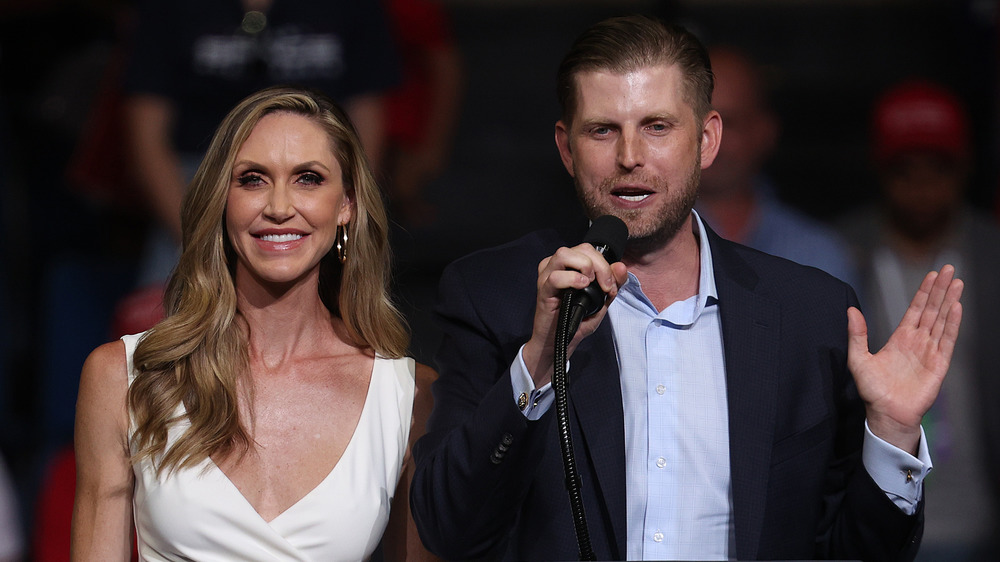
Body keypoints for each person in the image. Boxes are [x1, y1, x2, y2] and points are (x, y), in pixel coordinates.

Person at [410, 16, 963, 561]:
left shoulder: (809, 313)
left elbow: (854, 551)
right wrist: (538, 362)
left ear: (706, 139)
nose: (630, 156)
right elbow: (449, 531)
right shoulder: (493, 296)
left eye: (657, 126)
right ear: (566, 147)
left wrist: (892, 432)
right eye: (603, 129)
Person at [71, 86, 435, 561]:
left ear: (346, 204)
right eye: (253, 179)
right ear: (222, 201)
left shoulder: (409, 396)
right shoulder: (123, 377)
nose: (279, 206)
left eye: (307, 178)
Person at [123, 0, 401, 286]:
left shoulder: (353, 8)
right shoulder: (168, 8)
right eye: (254, 180)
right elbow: (147, 138)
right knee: (162, 313)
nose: (278, 210)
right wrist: (200, 239)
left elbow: (367, 125)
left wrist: (344, 206)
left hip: (324, 174)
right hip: (191, 192)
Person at [837, 79, 1000, 561]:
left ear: (966, 167)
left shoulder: (992, 255)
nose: (923, 186)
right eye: (904, 170)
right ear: (880, 170)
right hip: (881, 508)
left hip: (981, 511)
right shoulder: (842, 254)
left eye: (940, 168)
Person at [696, 46, 857, 288]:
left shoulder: (817, 255)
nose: (709, 139)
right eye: (697, 122)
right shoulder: (642, 247)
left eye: (727, 123)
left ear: (765, 130)